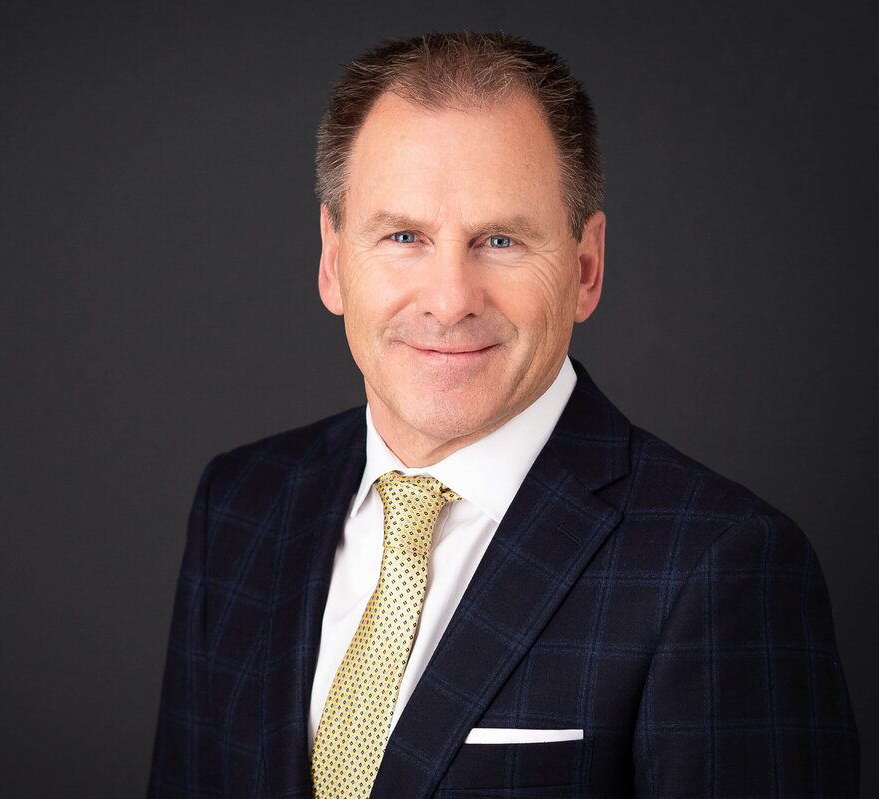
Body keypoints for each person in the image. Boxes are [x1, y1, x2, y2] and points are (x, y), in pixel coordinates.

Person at [148, 32, 858, 798]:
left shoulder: (721, 566)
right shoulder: (242, 503)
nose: (450, 299)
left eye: (499, 239)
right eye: (404, 236)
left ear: (586, 268)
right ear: (332, 259)